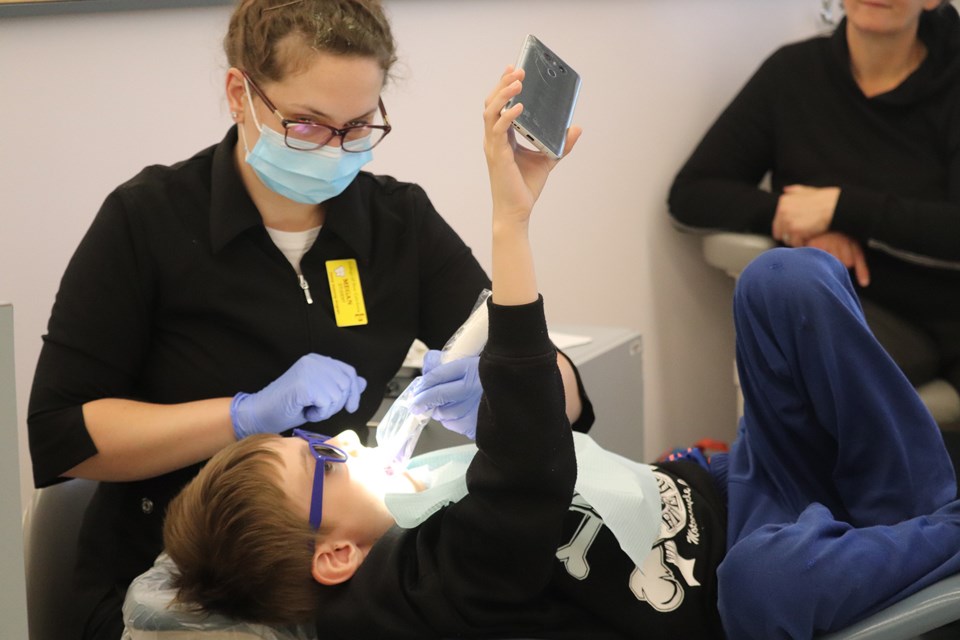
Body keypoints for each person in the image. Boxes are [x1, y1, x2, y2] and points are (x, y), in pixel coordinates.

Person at [162, 65, 960, 640]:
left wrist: (542, 388)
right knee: (763, 590)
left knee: (779, 282)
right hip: (741, 569)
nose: (339, 441)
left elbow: (560, 433)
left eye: (310, 440)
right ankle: (926, 528)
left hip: (740, 489)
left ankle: (911, 508)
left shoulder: (405, 489)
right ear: (336, 556)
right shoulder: (421, 594)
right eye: (320, 463)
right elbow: (527, 478)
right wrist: (513, 223)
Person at [26, 2, 588, 638]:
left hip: (338, 579)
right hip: (183, 584)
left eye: (357, 128)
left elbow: (555, 386)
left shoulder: (396, 223)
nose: (335, 150)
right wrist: (240, 415)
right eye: (309, 125)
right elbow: (62, 435)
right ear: (241, 94)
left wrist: (516, 387)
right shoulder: (147, 222)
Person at [668, 0, 960, 403]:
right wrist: (793, 222)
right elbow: (692, 193)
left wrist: (841, 208)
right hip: (854, 306)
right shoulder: (792, 72)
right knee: (803, 368)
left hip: (946, 313)